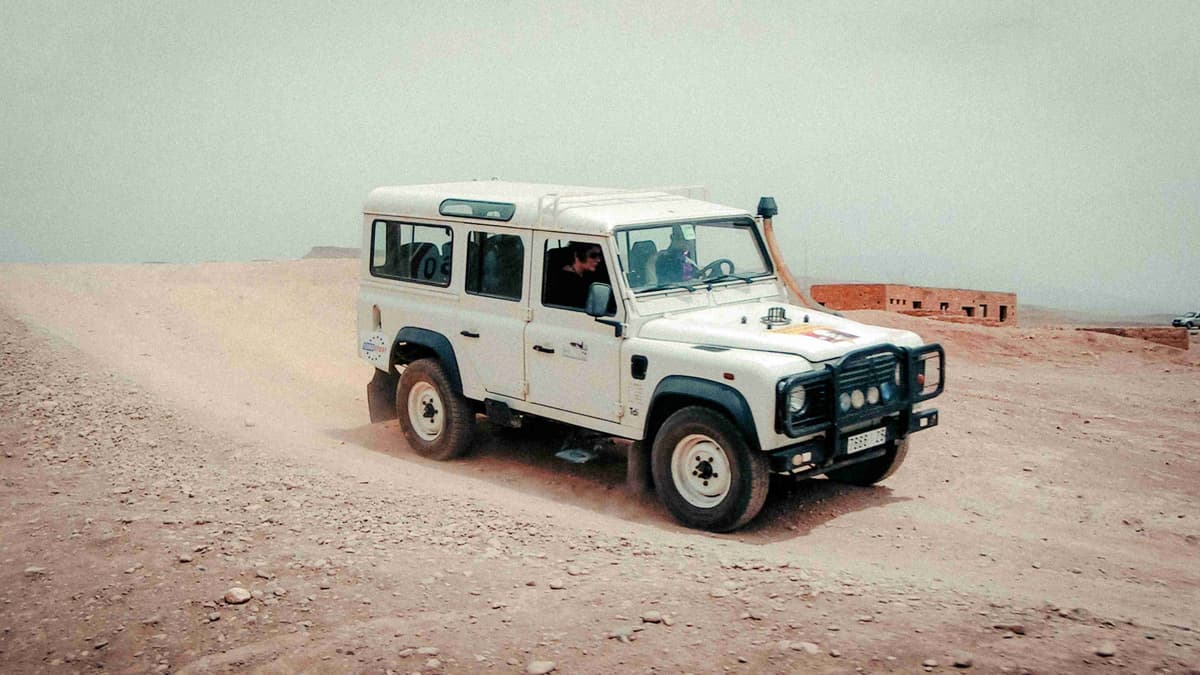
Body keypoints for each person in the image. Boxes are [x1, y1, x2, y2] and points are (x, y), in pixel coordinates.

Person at [546, 242, 603, 309]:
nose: (598, 260)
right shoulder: (563, 281)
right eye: (593, 256)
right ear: (577, 254)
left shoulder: (590, 275)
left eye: (600, 256)